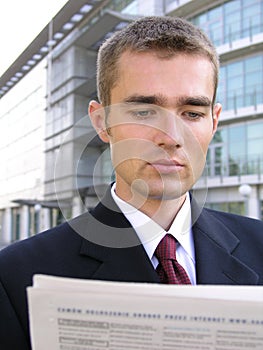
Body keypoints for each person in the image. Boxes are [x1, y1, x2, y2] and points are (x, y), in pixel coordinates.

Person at [0, 16, 262, 350]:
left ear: (214, 121)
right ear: (102, 122)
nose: (171, 137)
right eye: (143, 112)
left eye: (192, 113)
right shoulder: (16, 275)